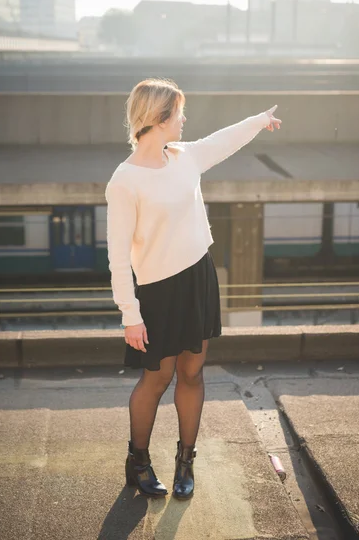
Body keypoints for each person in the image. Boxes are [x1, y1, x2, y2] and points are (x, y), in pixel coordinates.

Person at [105, 78, 281, 501]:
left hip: (199, 276)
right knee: (158, 376)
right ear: (161, 119)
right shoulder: (124, 180)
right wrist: (130, 314)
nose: (185, 119)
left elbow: (224, 141)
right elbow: (117, 258)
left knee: (192, 371)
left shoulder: (184, 157)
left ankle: (186, 462)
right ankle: (139, 463)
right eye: (180, 112)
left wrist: (259, 121)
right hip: (158, 292)